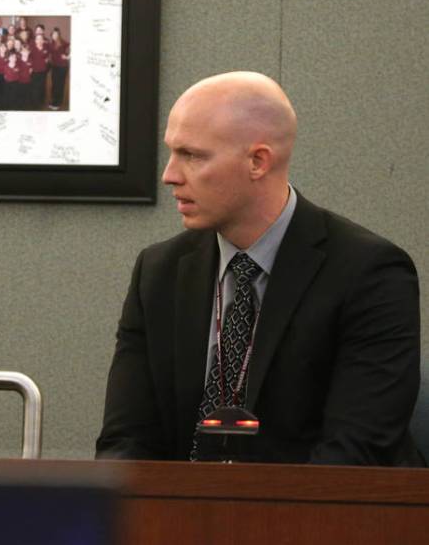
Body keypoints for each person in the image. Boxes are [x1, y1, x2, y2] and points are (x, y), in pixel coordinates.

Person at [96, 72, 422, 466]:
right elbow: (125, 441)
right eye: (171, 153)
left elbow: (353, 456)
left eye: (193, 156)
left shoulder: (370, 273)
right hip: (182, 518)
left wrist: (244, 523)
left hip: (317, 519)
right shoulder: (159, 271)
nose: (169, 175)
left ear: (258, 161)